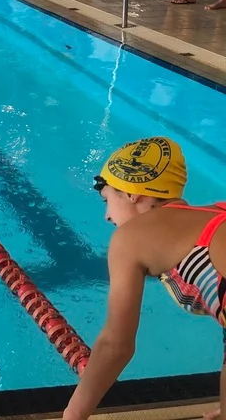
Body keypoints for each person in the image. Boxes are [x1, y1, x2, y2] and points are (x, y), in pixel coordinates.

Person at [63, 137, 225, 420]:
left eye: (107, 200)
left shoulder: (130, 237)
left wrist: (72, 415)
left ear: (131, 193)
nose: (107, 216)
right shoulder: (217, 212)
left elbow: (115, 345)